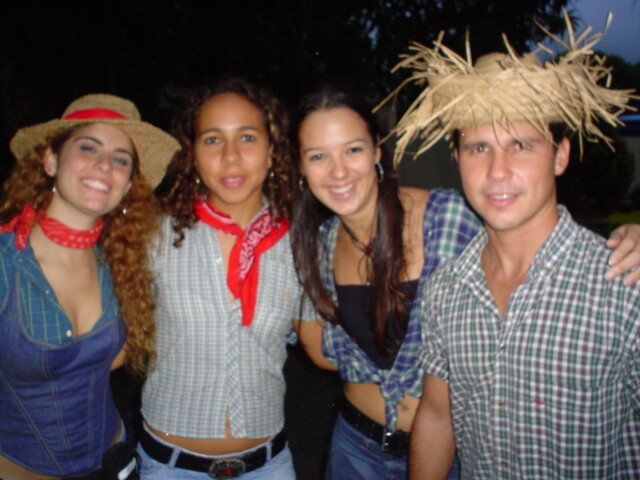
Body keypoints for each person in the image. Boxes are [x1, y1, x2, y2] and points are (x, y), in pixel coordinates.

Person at [290, 90, 640, 480]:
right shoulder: (321, 248)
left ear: (376, 150)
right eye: (317, 156)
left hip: (451, 452)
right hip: (356, 445)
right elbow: (323, 351)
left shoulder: (446, 220)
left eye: (352, 149)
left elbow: (519, 233)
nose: (338, 171)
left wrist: (630, 237)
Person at [395, 19, 640, 480]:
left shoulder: (626, 284)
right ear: (457, 159)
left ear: (560, 155)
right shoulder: (445, 289)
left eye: (521, 145)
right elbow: (438, 416)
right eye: (478, 148)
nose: (497, 170)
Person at [137, 76, 318, 479]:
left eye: (247, 137)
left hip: (268, 467)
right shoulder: (153, 237)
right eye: (213, 139)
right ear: (193, 155)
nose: (231, 156)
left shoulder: (299, 245)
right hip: (170, 468)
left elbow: (323, 347)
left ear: (272, 152)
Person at [0, 94, 179, 479]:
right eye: (88, 147)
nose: (104, 165)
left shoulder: (122, 265)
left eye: (121, 159)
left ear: (127, 185)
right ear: (51, 160)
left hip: (113, 460)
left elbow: (108, 359)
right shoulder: (4, 263)